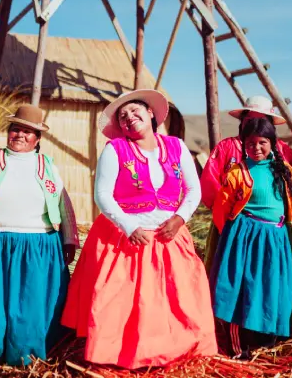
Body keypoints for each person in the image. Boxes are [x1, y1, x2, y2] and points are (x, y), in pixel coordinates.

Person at [61, 89, 217, 369]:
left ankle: (173, 351)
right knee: (125, 300)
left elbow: (193, 189)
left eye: (135, 111)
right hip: (127, 237)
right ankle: (122, 353)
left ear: (150, 114)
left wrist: (180, 218)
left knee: (175, 296)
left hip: (169, 235)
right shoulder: (115, 150)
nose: (129, 118)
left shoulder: (177, 147)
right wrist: (130, 226)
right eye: (123, 117)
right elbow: (103, 195)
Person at [0, 96, 80, 368]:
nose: (19, 134)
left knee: (29, 305)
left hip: (37, 246)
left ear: (37, 138)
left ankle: (26, 357)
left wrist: (69, 238)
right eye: (15, 129)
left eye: (27, 131)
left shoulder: (48, 165)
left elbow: (62, 201)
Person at [209, 116, 292, 359]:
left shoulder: (286, 172)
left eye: (262, 143)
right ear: (244, 144)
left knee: (271, 288)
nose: (256, 148)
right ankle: (239, 347)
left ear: (273, 143)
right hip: (245, 238)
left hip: (275, 239)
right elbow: (221, 209)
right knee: (243, 288)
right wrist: (233, 237)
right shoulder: (237, 172)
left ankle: (266, 343)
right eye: (251, 143)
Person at [199, 96, 292, 273]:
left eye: (262, 120)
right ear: (243, 121)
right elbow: (210, 181)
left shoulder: (281, 150)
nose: (255, 124)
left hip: (271, 226)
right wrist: (226, 216)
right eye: (251, 119)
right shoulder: (227, 147)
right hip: (230, 221)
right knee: (228, 268)